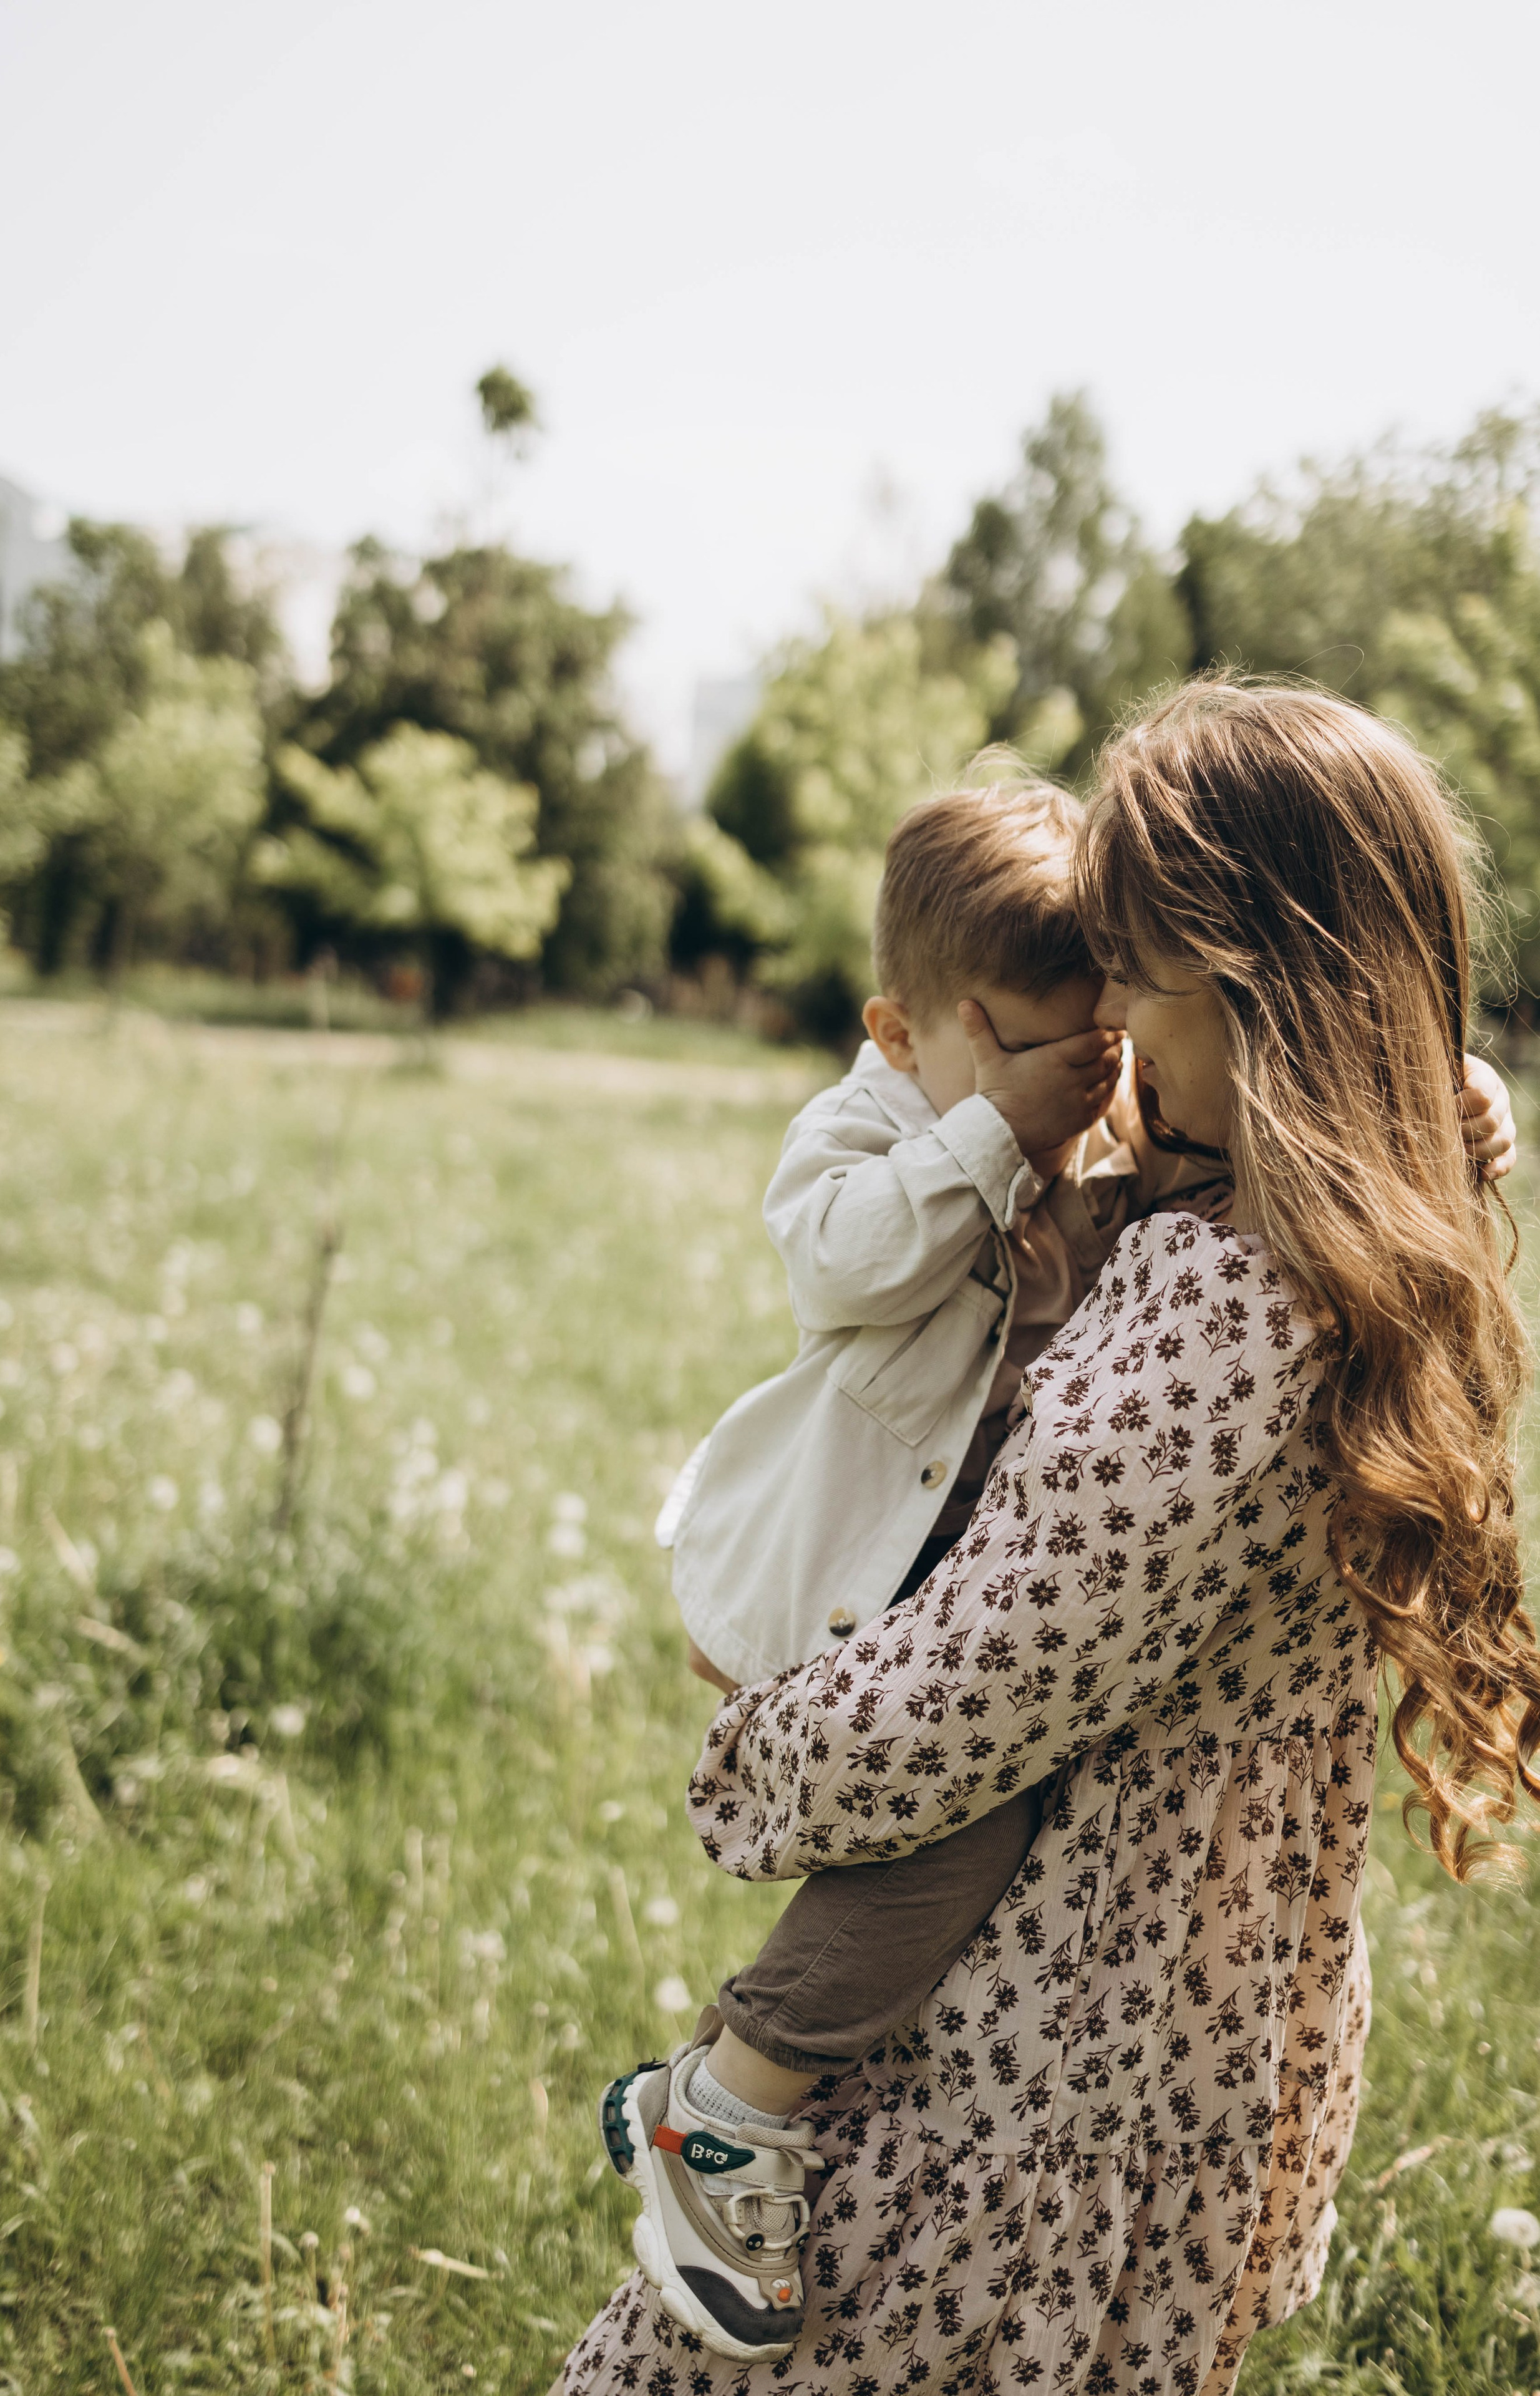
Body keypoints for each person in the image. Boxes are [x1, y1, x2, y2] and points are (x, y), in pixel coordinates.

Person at [560, 679, 1540, 2395]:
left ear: (1252, 990)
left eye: (1137, 982)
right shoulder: (1359, 1239)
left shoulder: (1234, 1311)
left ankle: (719, 2102)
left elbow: (958, 1704)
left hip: (1042, 2054)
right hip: (1174, 2022)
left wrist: (757, 1738)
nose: (1115, 1041)